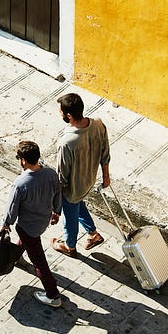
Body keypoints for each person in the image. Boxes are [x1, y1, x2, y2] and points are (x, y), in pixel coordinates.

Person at [1, 140, 64, 307]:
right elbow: (58, 194)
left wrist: (6, 224)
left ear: (23, 160)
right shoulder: (51, 174)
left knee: (39, 263)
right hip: (43, 221)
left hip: (27, 227)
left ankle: (53, 295)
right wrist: (57, 211)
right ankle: (15, 258)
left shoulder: (20, 184)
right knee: (28, 242)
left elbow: (12, 209)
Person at [52, 92, 111, 256]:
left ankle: (69, 246)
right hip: (88, 180)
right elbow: (105, 152)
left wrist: (56, 205)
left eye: (61, 112)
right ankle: (93, 234)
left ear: (69, 116)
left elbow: (62, 177)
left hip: (73, 189)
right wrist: (106, 177)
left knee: (70, 216)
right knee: (78, 205)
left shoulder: (66, 143)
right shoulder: (98, 124)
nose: (60, 114)